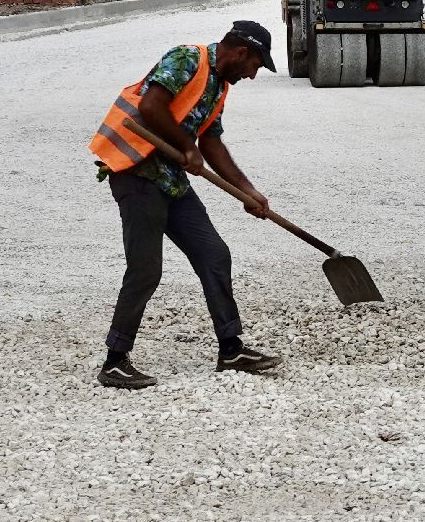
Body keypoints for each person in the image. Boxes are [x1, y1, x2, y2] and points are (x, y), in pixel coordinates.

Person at [88, 20, 282, 388]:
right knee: (146, 269)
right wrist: (187, 147)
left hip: (170, 182)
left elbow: (211, 142)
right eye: (256, 65)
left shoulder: (219, 87)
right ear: (241, 52)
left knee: (214, 254)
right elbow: (150, 106)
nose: (254, 75)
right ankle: (115, 361)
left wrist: (247, 191)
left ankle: (231, 349)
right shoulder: (187, 60)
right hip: (137, 175)